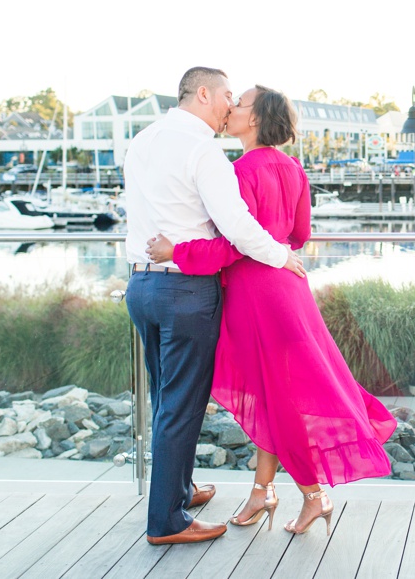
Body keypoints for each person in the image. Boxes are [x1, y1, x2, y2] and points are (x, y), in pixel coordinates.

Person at [148, 85, 398, 536]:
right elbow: (298, 235)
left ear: (258, 119)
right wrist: (274, 240)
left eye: (239, 104)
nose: (230, 110)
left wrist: (177, 251)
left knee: (278, 398)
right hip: (290, 289)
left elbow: (231, 245)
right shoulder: (294, 169)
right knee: (272, 392)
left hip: (255, 295)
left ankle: (313, 495)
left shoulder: (238, 170)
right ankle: (263, 490)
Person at [122, 67, 306, 546]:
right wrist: (281, 255)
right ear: (203, 93)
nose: (229, 104)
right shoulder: (204, 150)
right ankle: (167, 521)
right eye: (226, 95)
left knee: (166, 397)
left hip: (141, 286)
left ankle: (176, 491)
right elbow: (240, 230)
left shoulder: (142, 140)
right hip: (185, 290)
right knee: (181, 407)